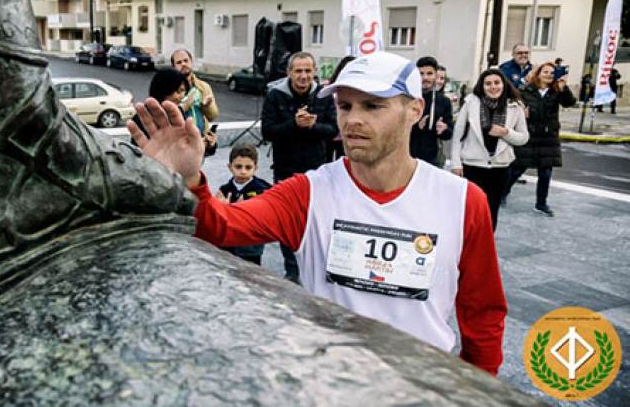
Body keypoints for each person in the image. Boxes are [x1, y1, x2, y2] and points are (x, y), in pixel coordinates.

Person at [127, 51, 507, 376]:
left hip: (423, 388)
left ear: (414, 110)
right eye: (345, 106)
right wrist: (189, 179)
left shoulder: (462, 200)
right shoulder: (309, 192)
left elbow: (483, 313)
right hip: (328, 385)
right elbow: (221, 227)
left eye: (373, 106)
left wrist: (478, 389)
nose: (353, 119)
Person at [261, 51, 338, 284]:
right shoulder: (275, 96)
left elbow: (333, 130)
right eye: (298, 71)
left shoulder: (324, 96)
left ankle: (315, 268)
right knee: (287, 220)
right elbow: (268, 132)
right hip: (285, 168)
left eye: (307, 71)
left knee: (316, 220)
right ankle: (292, 271)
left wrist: (313, 126)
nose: (303, 76)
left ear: (314, 72)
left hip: (316, 170)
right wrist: (293, 124)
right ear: (289, 73)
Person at [451, 69, 529, 230]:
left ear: (503, 84)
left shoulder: (515, 105)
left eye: (496, 83)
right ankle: (466, 245)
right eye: (488, 83)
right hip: (472, 166)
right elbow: (458, 136)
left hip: (500, 168)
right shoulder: (471, 103)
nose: (493, 87)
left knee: (491, 211)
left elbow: (523, 138)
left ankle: (486, 246)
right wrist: (456, 164)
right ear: (482, 86)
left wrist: (506, 132)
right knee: (470, 210)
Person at [506, 62, 577, 217]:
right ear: (538, 74)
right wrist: (521, 112)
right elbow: (513, 104)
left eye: (552, 73)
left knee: (545, 173)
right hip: (530, 135)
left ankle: (541, 203)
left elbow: (570, 103)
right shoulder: (526, 90)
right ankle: (503, 192)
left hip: (548, 137)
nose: (549, 75)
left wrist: (564, 87)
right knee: (517, 169)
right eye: (545, 72)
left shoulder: (557, 91)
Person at [131, 68, 217, 155]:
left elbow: (187, 152)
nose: (182, 96)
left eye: (184, 91)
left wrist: (208, 145)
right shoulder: (143, 117)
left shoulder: (179, 114)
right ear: (164, 90)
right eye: (178, 91)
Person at [216, 144, 271, 266]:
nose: (243, 171)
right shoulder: (225, 189)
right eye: (238, 166)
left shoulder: (263, 189)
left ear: (255, 168)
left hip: (251, 246)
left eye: (248, 167)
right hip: (229, 244)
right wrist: (221, 208)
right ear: (230, 167)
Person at [409, 56, 452, 167]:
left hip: (434, 159)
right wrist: (417, 127)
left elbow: (449, 133)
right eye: (421, 74)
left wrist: (444, 129)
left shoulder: (444, 101)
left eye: (429, 73)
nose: (425, 78)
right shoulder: (408, 98)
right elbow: (397, 128)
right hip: (409, 157)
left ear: (435, 75)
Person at [171, 48, 219, 124]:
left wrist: (207, 106)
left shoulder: (204, 86)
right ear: (173, 67)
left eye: (186, 60)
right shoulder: (168, 88)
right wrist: (185, 106)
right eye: (179, 62)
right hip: (179, 135)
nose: (183, 64)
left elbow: (213, 116)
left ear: (191, 62)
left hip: (201, 135)